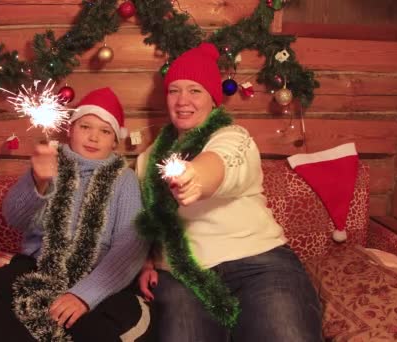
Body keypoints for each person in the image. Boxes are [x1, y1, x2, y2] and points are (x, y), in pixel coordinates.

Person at [135, 43, 323, 342]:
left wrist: (195, 177)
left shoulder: (234, 137)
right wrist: (146, 262)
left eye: (195, 90)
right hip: (184, 275)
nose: (183, 100)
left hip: (259, 264)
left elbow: (220, 164)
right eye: (174, 90)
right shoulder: (147, 160)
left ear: (213, 99)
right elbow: (148, 221)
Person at [0, 87, 148, 342]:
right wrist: (37, 182)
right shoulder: (49, 163)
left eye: (105, 131)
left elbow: (131, 247)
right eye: (85, 127)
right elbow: (14, 218)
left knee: (91, 328)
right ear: (70, 130)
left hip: (95, 275)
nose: (94, 137)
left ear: (115, 141)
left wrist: (84, 296)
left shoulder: (125, 180)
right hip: (39, 268)